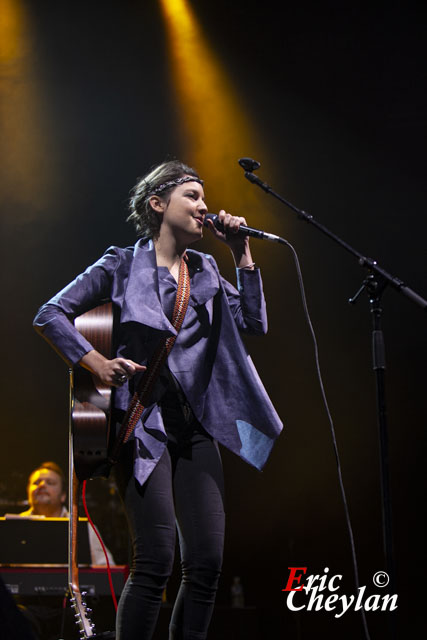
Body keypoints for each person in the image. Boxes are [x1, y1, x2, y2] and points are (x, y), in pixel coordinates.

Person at [33, 160, 283, 640]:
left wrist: (242, 253)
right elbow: (51, 314)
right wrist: (97, 364)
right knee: (156, 560)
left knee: (207, 561)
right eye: (192, 195)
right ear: (158, 203)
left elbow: (254, 323)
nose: (204, 206)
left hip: (197, 427)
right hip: (142, 429)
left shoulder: (205, 269)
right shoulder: (121, 265)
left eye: (204, 197)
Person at [20, 461, 115, 566]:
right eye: (36, 482)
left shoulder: (82, 528)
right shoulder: (13, 527)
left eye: (50, 482)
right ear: (28, 492)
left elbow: (106, 568)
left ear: (63, 496)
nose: (42, 485)